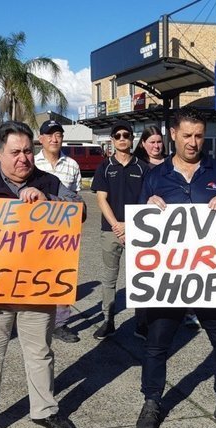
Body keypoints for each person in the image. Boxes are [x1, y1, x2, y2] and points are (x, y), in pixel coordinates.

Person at [0, 121, 81, 428]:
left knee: (40, 352)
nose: (23, 158)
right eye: (15, 152)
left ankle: (44, 410)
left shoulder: (49, 182)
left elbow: (79, 211)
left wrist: (48, 200)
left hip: (37, 288)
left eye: (28, 151)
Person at [135, 107, 216, 428]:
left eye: (199, 136)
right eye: (187, 135)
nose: (193, 142)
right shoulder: (155, 176)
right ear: (173, 134)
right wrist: (146, 208)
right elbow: (139, 225)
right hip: (168, 278)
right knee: (157, 343)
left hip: (211, 276)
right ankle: (152, 401)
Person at [132, 126, 201, 331]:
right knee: (150, 276)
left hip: (181, 229)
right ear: (143, 144)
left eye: (158, 142)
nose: (156, 146)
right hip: (152, 232)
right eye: (151, 142)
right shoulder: (138, 166)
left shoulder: (172, 164)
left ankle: (188, 312)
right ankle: (145, 321)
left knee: (185, 271)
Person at [90, 120, 150, 340]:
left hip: (138, 230)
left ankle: (142, 324)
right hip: (110, 231)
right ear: (112, 140)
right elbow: (101, 199)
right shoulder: (104, 167)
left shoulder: (142, 167)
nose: (122, 139)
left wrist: (129, 225)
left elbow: (147, 199)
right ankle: (108, 321)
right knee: (109, 278)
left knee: (140, 278)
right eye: (118, 136)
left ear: (132, 139)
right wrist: (116, 225)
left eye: (126, 135)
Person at [34, 119, 82, 344]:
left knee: (63, 277)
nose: (54, 139)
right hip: (35, 231)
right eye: (49, 135)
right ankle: (36, 318)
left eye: (58, 135)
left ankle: (60, 323)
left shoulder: (72, 165)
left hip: (64, 233)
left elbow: (76, 197)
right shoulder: (32, 163)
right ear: (40, 138)